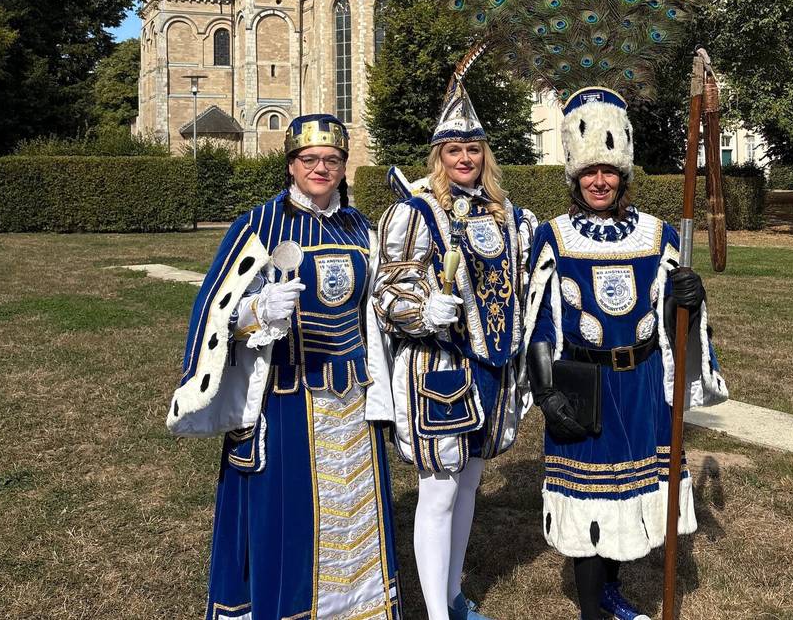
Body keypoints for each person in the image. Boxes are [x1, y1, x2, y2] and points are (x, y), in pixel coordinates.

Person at [167, 114, 401, 620]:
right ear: (292, 165)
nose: (321, 168)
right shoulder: (259, 224)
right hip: (287, 397)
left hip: (354, 400)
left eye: (332, 160)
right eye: (309, 160)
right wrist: (257, 312)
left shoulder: (360, 226)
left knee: (356, 518)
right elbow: (214, 310)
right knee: (291, 517)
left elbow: (377, 305)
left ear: (343, 166)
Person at [524, 88, 728, 620]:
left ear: (623, 174)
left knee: (630, 497)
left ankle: (612, 593)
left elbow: (673, 320)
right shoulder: (555, 237)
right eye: (589, 172)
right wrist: (545, 389)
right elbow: (540, 318)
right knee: (589, 502)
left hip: (641, 385)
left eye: (609, 172)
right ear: (574, 175)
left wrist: (691, 298)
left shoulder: (658, 235)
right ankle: (592, 610)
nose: (599, 181)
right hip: (585, 387)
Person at [366, 74, 537, 620]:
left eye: (473, 149)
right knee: (438, 492)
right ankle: (437, 614)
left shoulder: (509, 215)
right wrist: (423, 311)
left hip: (493, 371)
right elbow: (388, 289)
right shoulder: (413, 211)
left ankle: (456, 597)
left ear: (485, 155)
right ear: (440, 155)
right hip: (438, 370)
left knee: (469, 487)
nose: (465, 158)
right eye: (454, 149)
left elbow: (531, 282)